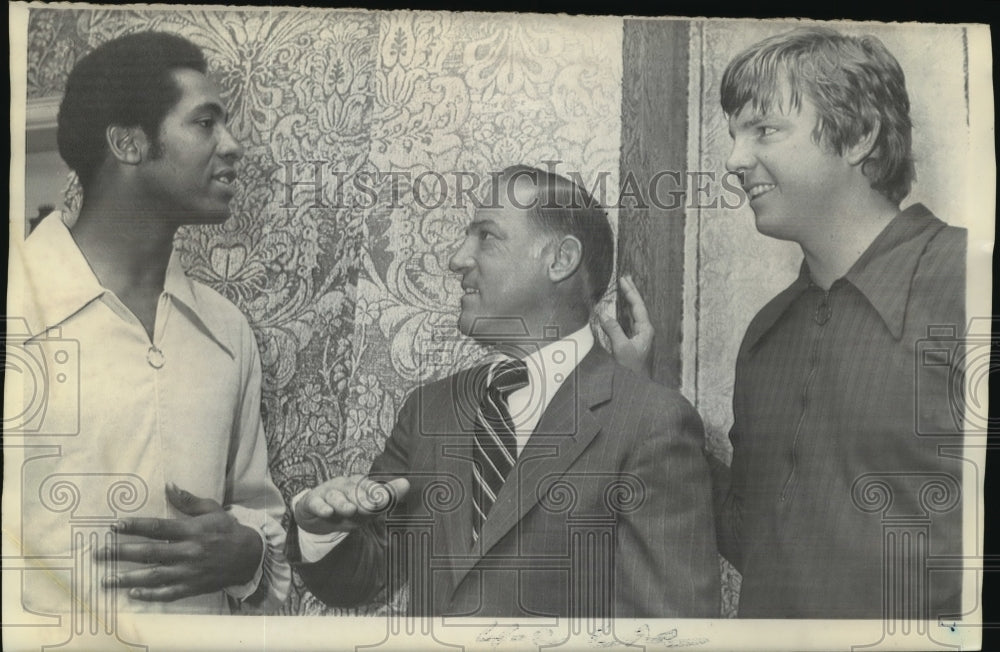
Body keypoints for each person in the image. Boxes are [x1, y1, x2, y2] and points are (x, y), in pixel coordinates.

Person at [618, 27, 966, 619]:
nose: (734, 160)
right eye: (734, 135)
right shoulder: (766, 334)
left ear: (858, 136)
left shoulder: (971, 283)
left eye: (764, 130)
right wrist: (647, 406)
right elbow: (753, 539)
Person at [288, 166, 719, 618]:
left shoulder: (651, 422)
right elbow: (365, 573)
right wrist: (320, 532)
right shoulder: (428, 411)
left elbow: (671, 630)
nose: (457, 259)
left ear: (560, 259)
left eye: (486, 237)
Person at [8, 31, 289, 615]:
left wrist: (247, 553)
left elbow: (258, 514)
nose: (234, 146)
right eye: (205, 122)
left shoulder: (227, 330)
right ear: (129, 144)